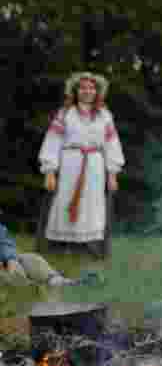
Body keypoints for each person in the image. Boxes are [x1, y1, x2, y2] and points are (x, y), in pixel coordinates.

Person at [37, 72, 124, 259]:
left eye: (91, 88)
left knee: (93, 204)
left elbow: (112, 144)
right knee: (64, 200)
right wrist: (50, 171)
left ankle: (89, 248)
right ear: (75, 91)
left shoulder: (105, 116)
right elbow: (52, 140)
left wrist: (112, 173)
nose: (87, 91)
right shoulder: (65, 114)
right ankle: (62, 246)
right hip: (70, 162)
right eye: (83, 88)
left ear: (97, 92)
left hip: (95, 164)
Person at [1, 221, 88, 287]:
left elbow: (5, 242)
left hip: (5, 260)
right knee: (13, 272)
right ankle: (30, 287)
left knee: (32, 259)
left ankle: (56, 280)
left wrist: (10, 258)